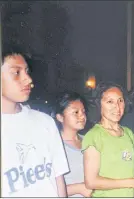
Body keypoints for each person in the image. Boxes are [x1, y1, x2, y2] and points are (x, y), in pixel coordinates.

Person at [1, 51, 69, 197]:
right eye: (16, 72)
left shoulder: (45, 122)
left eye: (26, 71)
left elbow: (58, 179)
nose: (28, 79)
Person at [82, 82, 134, 197]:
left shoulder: (128, 133)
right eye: (110, 102)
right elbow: (91, 182)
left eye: (120, 101)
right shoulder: (94, 136)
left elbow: (125, 170)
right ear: (99, 105)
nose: (117, 107)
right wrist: (132, 182)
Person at [54, 91, 92, 197]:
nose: (82, 116)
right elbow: (47, 186)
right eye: (76, 112)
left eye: (83, 111)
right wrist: (78, 188)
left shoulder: (89, 141)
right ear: (60, 117)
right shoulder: (54, 145)